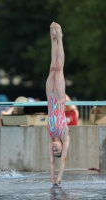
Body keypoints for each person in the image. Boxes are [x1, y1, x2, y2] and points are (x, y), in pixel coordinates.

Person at [46, 22, 70, 186]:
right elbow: (62, 160)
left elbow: (51, 162)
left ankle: (52, 39)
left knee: (52, 68)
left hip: (49, 97)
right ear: (61, 147)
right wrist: (59, 177)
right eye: (57, 150)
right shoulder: (64, 134)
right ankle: (60, 38)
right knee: (59, 68)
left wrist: (51, 178)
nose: (54, 149)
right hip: (60, 99)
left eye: (53, 150)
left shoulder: (50, 136)